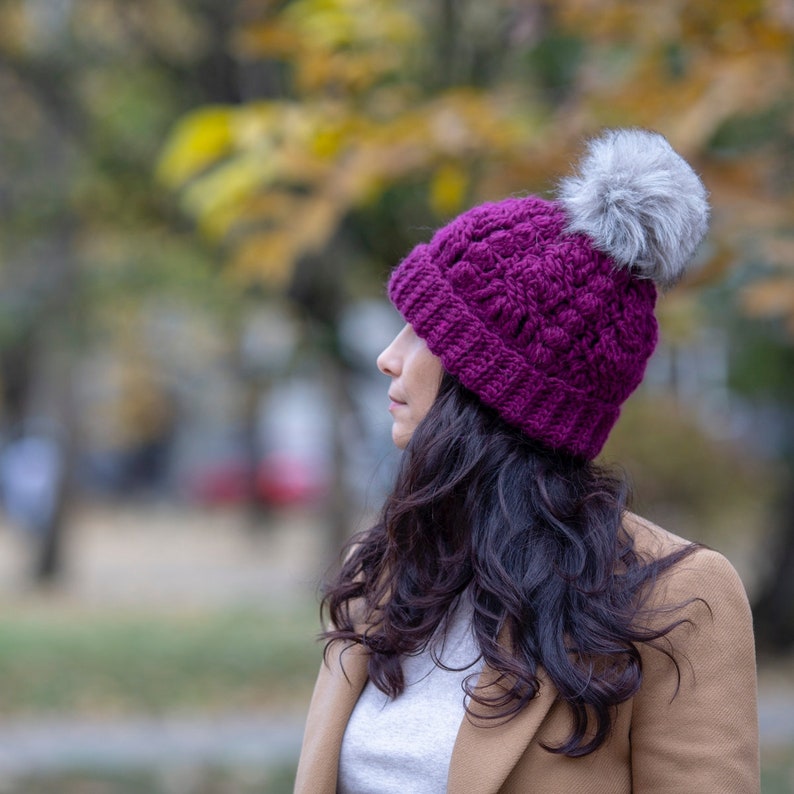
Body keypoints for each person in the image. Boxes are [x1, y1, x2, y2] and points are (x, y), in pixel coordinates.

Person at [294, 129, 759, 793]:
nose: (388, 357)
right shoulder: (387, 571)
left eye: (424, 331)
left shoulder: (678, 596)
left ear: (495, 386)